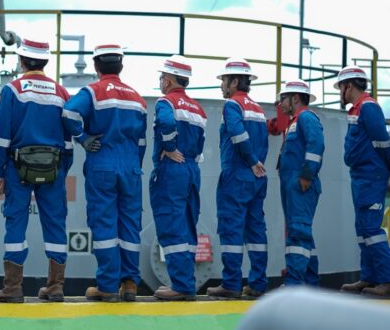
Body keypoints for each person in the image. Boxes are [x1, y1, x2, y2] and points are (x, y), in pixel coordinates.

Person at [0, 39, 74, 303]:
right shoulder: (61, 93)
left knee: (16, 223)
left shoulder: (13, 90)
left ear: (22, 61)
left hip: (18, 168)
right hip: (53, 168)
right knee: (55, 224)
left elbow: (1, 135)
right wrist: (61, 169)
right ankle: (55, 287)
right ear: (45, 61)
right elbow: (68, 140)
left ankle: (12, 288)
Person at [62, 44, 147, 302]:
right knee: (130, 224)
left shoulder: (92, 91)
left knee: (104, 224)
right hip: (131, 166)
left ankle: (108, 286)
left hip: (103, 163)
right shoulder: (137, 98)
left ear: (96, 66)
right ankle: (130, 284)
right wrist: (134, 165)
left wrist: (83, 138)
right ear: (121, 66)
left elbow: (69, 113)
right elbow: (142, 141)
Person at [336, 66, 390, 299]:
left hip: (371, 175)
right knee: (362, 228)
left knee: (371, 229)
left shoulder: (368, 107)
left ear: (348, 86)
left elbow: (382, 140)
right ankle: (370, 276)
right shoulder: (356, 109)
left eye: (340, 87)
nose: (339, 92)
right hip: (361, 174)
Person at [206, 58, 269, 299]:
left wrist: (250, 160)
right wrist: (256, 163)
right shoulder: (258, 109)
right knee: (256, 231)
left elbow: (237, 133)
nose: (221, 85)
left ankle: (231, 284)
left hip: (237, 174)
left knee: (231, 229)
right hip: (257, 177)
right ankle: (257, 284)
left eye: (224, 80)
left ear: (234, 82)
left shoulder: (233, 105)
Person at [150, 56, 207, 301]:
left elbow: (165, 122)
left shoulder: (166, 102)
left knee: (171, 224)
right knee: (188, 224)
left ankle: (181, 285)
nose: (160, 81)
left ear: (170, 79)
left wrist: (170, 146)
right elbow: (201, 142)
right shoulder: (198, 109)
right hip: (192, 168)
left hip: (172, 169)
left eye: (162, 77)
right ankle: (187, 282)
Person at [276, 79, 323, 286]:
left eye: (283, 99)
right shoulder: (294, 122)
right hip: (292, 183)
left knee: (298, 233)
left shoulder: (306, 117)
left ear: (295, 98)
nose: (280, 104)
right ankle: (311, 284)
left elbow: (317, 144)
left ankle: (294, 285)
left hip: (300, 184)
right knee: (302, 234)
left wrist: (307, 175)